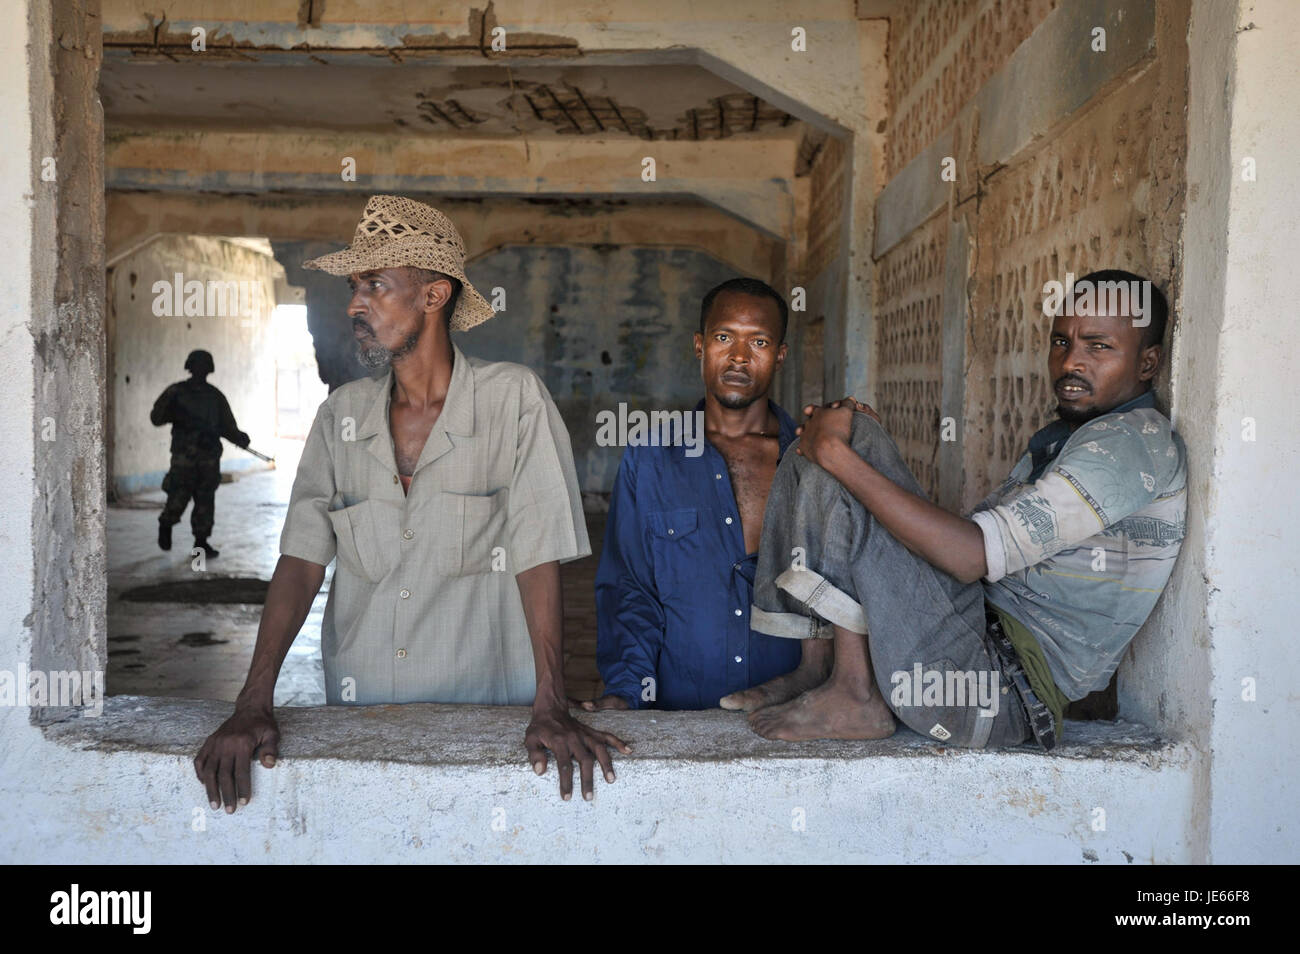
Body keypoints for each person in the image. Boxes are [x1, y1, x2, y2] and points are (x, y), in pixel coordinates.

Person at [194, 195, 627, 809]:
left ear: (434, 294)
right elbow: (300, 561)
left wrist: (551, 701)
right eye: (353, 286)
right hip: (362, 718)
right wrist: (252, 700)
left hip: (490, 722)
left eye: (375, 283)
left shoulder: (513, 402)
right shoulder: (340, 417)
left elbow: (539, 558)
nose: (354, 304)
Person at [724, 270, 1187, 749]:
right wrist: (856, 455)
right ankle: (819, 669)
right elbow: (958, 550)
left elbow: (970, 558)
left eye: (1098, 347)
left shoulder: (1130, 446)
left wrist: (844, 456)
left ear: (1148, 362)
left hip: (994, 693)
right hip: (969, 643)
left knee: (843, 445)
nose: (1071, 362)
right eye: (1061, 341)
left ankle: (856, 694)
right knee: (834, 441)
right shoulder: (1071, 440)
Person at [587, 278, 802, 712]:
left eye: (758, 341)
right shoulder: (649, 459)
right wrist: (625, 693)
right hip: (677, 711)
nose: (739, 357)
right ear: (700, 346)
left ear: (779, 356)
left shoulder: (811, 459)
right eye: (725, 337)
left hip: (795, 712)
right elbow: (630, 590)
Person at [150, 349, 250, 559]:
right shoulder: (176, 392)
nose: (201, 370)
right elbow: (156, 417)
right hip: (184, 459)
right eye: (198, 365)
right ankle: (166, 522)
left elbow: (227, 426)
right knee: (178, 496)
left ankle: (201, 543)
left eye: (204, 366)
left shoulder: (215, 396)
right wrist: (175, 414)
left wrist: (239, 437)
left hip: (208, 459)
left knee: (205, 502)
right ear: (190, 367)